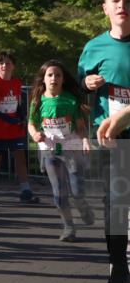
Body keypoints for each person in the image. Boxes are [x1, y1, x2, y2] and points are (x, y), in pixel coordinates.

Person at [79, 0, 130, 283]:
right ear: (105, 8)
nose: (121, 6)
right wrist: (87, 82)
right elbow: (82, 93)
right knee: (115, 206)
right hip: (110, 139)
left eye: (127, 1)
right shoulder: (94, 47)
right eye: (115, 1)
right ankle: (118, 272)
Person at [27, 60, 94, 242]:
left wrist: (86, 140)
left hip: (71, 148)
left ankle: (83, 206)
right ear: (44, 79)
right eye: (50, 75)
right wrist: (34, 134)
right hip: (50, 150)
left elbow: (80, 126)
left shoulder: (70, 99)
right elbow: (31, 123)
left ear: (63, 80)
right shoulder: (38, 101)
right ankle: (69, 227)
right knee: (59, 193)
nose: (54, 78)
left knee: (77, 191)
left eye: (58, 75)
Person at [0, 51, 38, 203]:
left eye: (8, 63)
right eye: (1, 63)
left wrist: (21, 116)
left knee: (20, 156)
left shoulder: (17, 83)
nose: (5, 65)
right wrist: (5, 118)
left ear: (13, 66)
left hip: (14, 128)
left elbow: (17, 102)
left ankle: (26, 190)